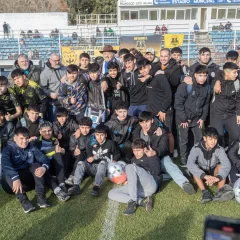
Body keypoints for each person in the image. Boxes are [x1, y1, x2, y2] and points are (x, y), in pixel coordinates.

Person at [132, 111, 196, 195]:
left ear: (152, 120)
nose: (145, 125)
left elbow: (164, 148)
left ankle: (185, 183)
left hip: (159, 157)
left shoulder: (160, 131)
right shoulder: (136, 133)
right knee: (146, 175)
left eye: (147, 121)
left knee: (169, 165)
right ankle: (183, 173)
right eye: (142, 122)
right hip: (145, 159)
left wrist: (155, 152)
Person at [1, 127, 50, 213]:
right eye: (21, 138)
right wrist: (15, 178)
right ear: (15, 138)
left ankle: (41, 198)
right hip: (11, 185)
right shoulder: (7, 149)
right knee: (8, 173)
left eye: (26, 138)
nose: (24, 141)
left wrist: (44, 167)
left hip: (26, 182)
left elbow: (43, 158)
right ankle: (25, 202)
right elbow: (6, 165)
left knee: (36, 165)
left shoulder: (31, 146)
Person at [108, 138, 161, 215]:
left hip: (150, 185)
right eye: (134, 150)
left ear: (144, 149)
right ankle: (141, 201)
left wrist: (151, 158)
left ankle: (132, 201)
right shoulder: (134, 159)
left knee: (129, 166)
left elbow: (157, 173)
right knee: (111, 193)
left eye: (138, 150)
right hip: (140, 190)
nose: (136, 153)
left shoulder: (150, 155)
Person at [68, 124, 120, 196]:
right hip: (93, 167)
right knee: (80, 163)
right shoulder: (91, 143)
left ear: (106, 135)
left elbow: (117, 154)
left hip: (105, 168)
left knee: (102, 163)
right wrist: (90, 158)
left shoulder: (110, 143)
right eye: (97, 135)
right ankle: (76, 186)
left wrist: (114, 160)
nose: (99, 137)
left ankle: (96, 187)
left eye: (101, 135)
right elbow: (89, 157)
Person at [175, 65, 211, 167]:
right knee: (184, 139)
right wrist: (184, 119)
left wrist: (202, 118)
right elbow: (178, 104)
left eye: (205, 75)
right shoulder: (186, 85)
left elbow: (206, 104)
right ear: (195, 75)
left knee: (199, 139)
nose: (203, 78)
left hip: (197, 119)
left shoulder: (207, 87)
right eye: (200, 75)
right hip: (184, 118)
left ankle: (196, 158)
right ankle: (183, 159)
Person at [187, 127, 234, 203]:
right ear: (205, 138)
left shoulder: (219, 149)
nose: (213, 142)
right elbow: (190, 163)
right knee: (195, 170)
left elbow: (226, 164)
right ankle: (205, 192)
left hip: (212, 170)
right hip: (201, 171)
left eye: (215, 139)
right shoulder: (196, 148)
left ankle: (220, 191)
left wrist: (218, 177)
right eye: (210, 139)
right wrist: (205, 176)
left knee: (221, 166)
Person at [33, 121, 70, 202]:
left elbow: (62, 150)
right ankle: (57, 187)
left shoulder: (55, 140)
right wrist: (54, 149)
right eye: (44, 131)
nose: (47, 133)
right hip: (45, 167)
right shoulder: (37, 142)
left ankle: (62, 183)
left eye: (49, 130)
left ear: (52, 130)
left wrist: (62, 150)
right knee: (41, 165)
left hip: (55, 165)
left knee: (60, 154)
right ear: (40, 132)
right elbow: (39, 155)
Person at [210, 62, 240, 146]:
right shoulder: (216, 83)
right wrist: (217, 81)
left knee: (237, 137)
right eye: (234, 72)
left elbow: (238, 99)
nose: (236, 74)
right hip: (216, 115)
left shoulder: (237, 83)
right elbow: (218, 71)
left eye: (237, 72)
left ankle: (233, 156)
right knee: (218, 139)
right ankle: (219, 158)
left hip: (230, 114)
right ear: (226, 73)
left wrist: (238, 114)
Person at [40, 52, 67, 122]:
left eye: (58, 60)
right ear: (50, 60)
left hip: (65, 102)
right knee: (55, 124)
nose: (57, 62)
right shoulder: (44, 73)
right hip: (53, 103)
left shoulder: (64, 69)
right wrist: (50, 94)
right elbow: (43, 88)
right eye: (55, 61)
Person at [66, 117, 93, 185]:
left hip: (91, 154)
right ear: (79, 127)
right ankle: (73, 176)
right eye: (82, 127)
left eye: (87, 128)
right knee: (80, 156)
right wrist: (74, 152)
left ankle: (73, 176)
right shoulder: (74, 136)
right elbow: (71, 149)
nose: (85, 130)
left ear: (91, 127)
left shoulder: (94, 134)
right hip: (79, 156)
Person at [52, 107, 79, 174]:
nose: (61, 119)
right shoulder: (55, 124)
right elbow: (54, 136)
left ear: (67, 116)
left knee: (68, 157)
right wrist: (57, 137)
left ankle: (68, 174)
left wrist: (78, 130)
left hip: (70, 145)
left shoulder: (71, 122)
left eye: (63, 116)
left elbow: (78, 128)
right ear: (57, 117)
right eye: (59, 117)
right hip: (60, 146)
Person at [84, 63, 109, 127]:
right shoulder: (88, 82)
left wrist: (108, 107)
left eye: (94, 73)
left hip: (101, 109)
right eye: (91, 73)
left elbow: (108, 96)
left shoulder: (103, 82)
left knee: (100, 128)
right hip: (90, 108)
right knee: (90, 127)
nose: (92, 75)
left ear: (98, 72)